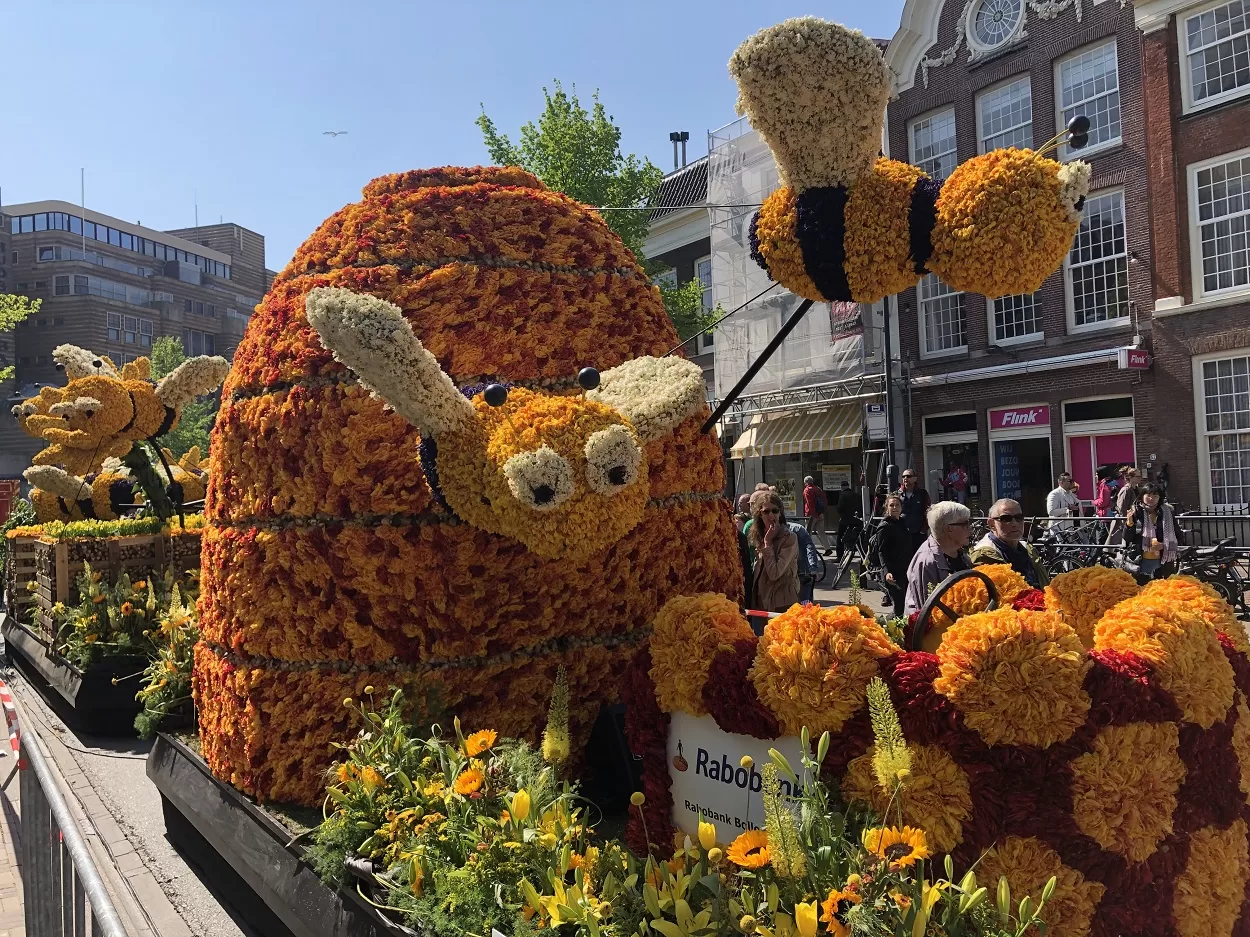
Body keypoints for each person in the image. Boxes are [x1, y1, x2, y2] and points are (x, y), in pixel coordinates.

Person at [904, 501, 972, 615]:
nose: (970, 529)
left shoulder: (961, 554)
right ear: (948, 529)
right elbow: (927, 613)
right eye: (965, 524)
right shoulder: (926, 562)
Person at [970, 498, 1050, 588]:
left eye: (1019, 518)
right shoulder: (984, 554)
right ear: (992, 524)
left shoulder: (1027, 548)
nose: (1014, 523)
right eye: (1006, 519)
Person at [748, 490, 799, 611]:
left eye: (775, 511)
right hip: (761, 601)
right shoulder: (758, 534)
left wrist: (768, 543)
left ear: (780, 513)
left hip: (781, 602)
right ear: (760, 514)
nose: (771, 515)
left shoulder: (789, 538)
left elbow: (774, 573)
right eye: (766, 511)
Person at [1124, 482, 1178, 579]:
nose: (1151, 498)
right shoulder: (1136, 512)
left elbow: (1178, 533)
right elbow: (1128, 538)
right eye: (1148, 495)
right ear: (1142, 496)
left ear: (1159, 498)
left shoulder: (1167, 512)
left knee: (1161, 590)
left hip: (1163, 560)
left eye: (1155, 496)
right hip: (1141, 560)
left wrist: (1165, 545)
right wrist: (1129, 524)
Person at [871, 492, 912, 618]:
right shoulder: (885, 526)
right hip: (892, 572)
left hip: (905, 569)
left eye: (897, 505)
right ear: (887, 508)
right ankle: (885, 628)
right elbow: (881, 552)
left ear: (901, 507)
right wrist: (887, 571)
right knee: (899, 607)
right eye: (891, 505)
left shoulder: (903, 523)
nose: (894, 508)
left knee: (906, 605)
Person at [898, 469, 932, 556]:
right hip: (902, 534)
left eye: (908, 476)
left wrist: (923, 530)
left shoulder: (922, 494)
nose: (905, 478)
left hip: (918, 534)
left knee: (920, 557)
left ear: (915, 479)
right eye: (903, 476)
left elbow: (928, 512)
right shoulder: (897, 494)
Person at [788, 517, 821, 603]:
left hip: (801, 574)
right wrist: (813, 567)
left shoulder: (797, 529)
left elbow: (809, 546)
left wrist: (813, 567)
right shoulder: (797, 528)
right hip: (801, 573)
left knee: (804, 607)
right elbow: (809, 546)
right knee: (804, 606)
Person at [802, 476, 832, 554]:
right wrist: (821, 512)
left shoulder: (807, 490)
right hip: (820, 513)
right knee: (821, 532)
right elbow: (825, 501)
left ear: (806, 482)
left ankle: (807, 550)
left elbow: (810, 503)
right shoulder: (818, 489)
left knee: (808, 532)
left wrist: (814, 514)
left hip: (811, 515)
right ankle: (827, 548)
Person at [835, 480, 861, 561]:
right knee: (856, 537)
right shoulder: (855, 494)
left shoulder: (843, 495)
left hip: (845, 520)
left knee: (840, 537)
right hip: (855, 520)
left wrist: (842, 515)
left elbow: (839, 508)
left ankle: (840, 556)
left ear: (842, 487)